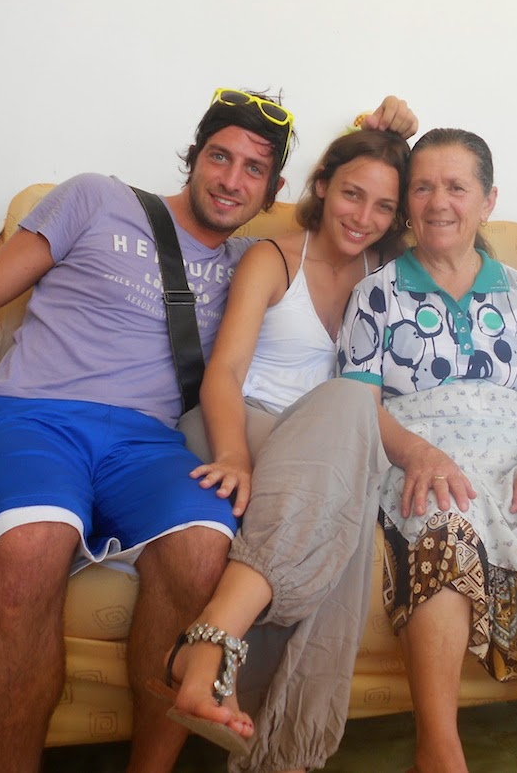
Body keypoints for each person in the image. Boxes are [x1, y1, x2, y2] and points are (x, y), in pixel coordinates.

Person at [0, 88, 417, 773]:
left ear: (275, 191)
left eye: (254, 169)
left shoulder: (255, 261)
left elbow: (366, 221)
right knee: (32, 541)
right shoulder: (95, 199)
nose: (231, 180)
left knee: (204, 546)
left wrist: (386, 133)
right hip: (29, 416)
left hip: (145, 443)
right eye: (219, 157)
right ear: (193, 156)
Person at [337, 128, 517, 773]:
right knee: (443, 532)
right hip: (421, 450)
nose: (439, 202)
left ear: (488, 201)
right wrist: (416, 454)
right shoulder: (377, 292)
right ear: (407, 203)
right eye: (423, 187)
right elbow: (358, 400)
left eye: (456, 187)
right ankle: (438, 751)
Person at [156, 128, 411, 773]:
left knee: (349, 445)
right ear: (321, 186)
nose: (364, 217)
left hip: (320, 448)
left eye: (384, 206)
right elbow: (223, 373)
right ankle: (281, 745)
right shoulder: (272, 259)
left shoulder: (385, 274)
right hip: (236, 424)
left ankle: (228, 680)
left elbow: (459, 232)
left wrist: (399, 129)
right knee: (350, 426)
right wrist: (234, 455)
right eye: (351, 194)